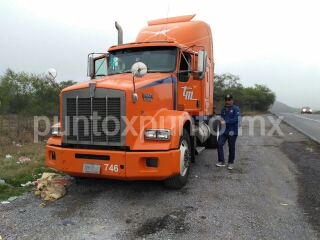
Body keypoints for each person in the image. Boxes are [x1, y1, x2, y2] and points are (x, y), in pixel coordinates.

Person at [216, 94, 241, 170]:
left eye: (229, 100)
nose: (227, 101)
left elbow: (237, 119)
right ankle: (221, 161)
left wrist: (225, 122)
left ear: (232, 101)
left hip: (232, 131)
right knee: (219, 144)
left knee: (231, 147)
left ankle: (231, 163)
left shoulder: (236, 109)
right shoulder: (223, 109)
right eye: (226, 100)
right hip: (223, 131)